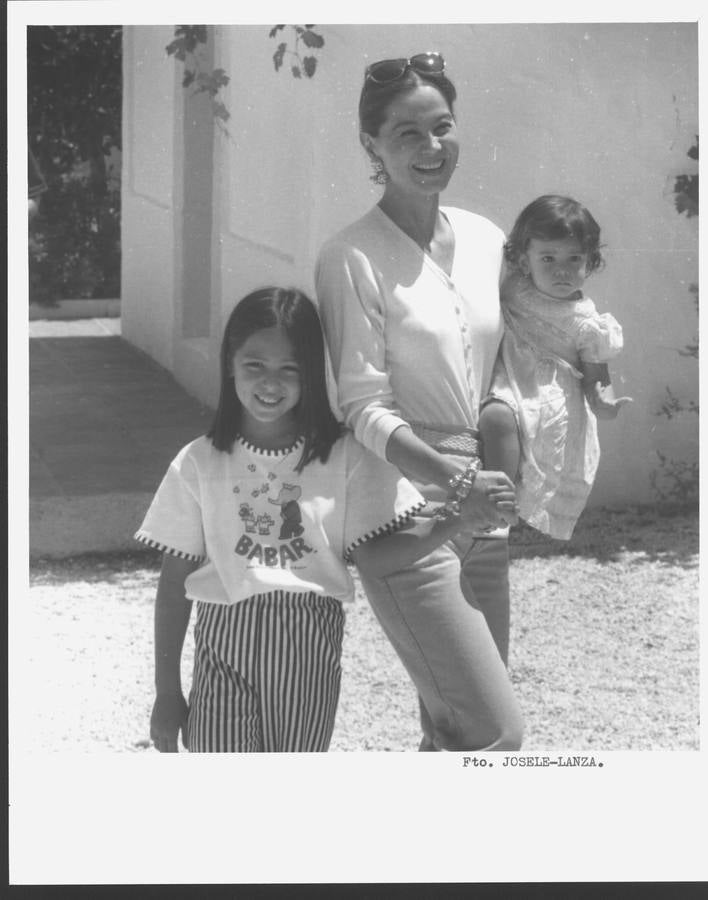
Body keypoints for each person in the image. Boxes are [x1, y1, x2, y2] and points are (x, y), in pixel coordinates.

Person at [136, 287, 516, 752]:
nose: (269, 383)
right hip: (222, 645)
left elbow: (377, 559)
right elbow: (174, 583)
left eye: (288, 370)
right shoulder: (198, 462)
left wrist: (453, 521)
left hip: (309, 648)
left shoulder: (345, 458)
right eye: (254, 365)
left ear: (311, 375)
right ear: (230, 362)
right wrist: (167, 691)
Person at [315, 52, 524, 751]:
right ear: (371, 144)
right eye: (407, 133)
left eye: (442, 126)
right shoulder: (351, 255)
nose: (430, 147)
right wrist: (455, 483)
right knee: (496, 733)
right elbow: (362, 404)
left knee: (453, 729)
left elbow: (510, 363)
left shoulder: (490, 238)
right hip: (409, 512)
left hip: (484, 511)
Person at [479, 195, 632, 540]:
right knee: (495, 419)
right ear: (523, 259)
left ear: (591, 262)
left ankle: (496, 508)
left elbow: (597, 377)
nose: (561, 270)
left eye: (574, 258)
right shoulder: (515, 287)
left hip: (550, 393)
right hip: (510, 371)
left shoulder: (588, 323)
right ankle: (494, 498)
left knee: (498, 418)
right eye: (547, 258)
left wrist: (604, 404)